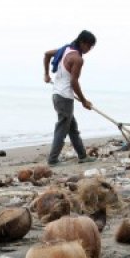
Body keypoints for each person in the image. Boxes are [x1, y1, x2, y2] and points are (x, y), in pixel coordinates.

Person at [43, 30, 97, 166]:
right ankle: (52, 159)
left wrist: (46, 74)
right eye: (89, 46)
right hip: (65, 97)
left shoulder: (65, 50)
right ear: (83, 43)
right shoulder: (78, 59)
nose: (89, 49)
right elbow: (74, 82)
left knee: (72, 127)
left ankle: (82, 156)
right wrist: (84, 101)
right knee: (62, 128)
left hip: (57, 94)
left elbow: (47, 54)